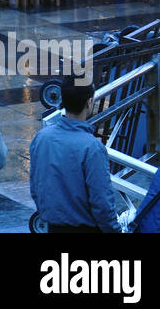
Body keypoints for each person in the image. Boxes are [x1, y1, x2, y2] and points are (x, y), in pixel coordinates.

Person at [28, 80, 121, 233]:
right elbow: (102, 202)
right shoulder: (92, 147)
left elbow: (35, 187)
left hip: (53, 227)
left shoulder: (41, 138)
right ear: (89, 102)